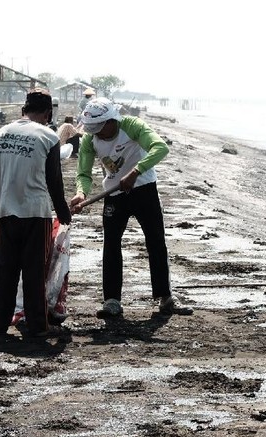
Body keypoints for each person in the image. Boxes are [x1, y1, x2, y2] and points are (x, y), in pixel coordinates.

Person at [69, 97, 190, 318]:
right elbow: (84, 173)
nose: (96, 133)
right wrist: (81, 193)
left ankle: (165, 297)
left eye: (99, 128)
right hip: (114, 195)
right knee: (111, 245)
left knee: (155, 241)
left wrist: (135, 172)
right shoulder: (90, 140)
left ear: (111, 120)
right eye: (91, 129)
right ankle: (112, 301)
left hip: (144, 190)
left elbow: (160, 148)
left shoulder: (132, 126)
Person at [0, 88, 72, 339]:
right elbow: (53, 181)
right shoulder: (48, 137)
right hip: (36, 213)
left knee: (5, 271)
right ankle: (37, 326)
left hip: (6, 212)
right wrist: (63, 211)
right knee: (34, 272)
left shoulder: (1, 134)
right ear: (48, 113)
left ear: (23, 110)